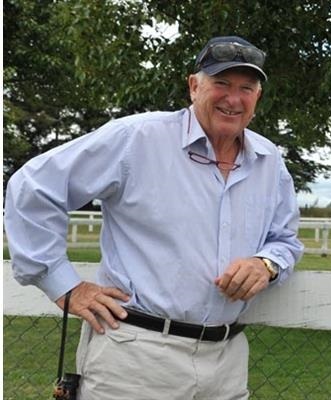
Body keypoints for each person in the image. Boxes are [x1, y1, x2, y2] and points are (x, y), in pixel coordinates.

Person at [4, 35, 304, 399]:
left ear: (257, 97)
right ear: (194, 86)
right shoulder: (139, 137)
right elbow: (33, 187)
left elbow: (285, 240)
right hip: (137, 358)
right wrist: (63, 284)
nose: (233, 98)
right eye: (221, 83)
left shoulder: (269, 161)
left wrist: (266, 264)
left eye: (246, 87)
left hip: (227, 361)